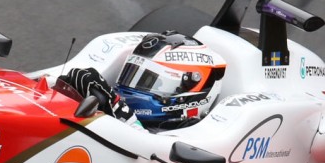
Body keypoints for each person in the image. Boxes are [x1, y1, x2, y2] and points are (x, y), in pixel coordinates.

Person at [57, 31, 227, 130]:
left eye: (156, 82)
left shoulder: (194, 139)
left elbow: (155, 148)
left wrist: (116, 108)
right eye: (133, 76)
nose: (131, 90)